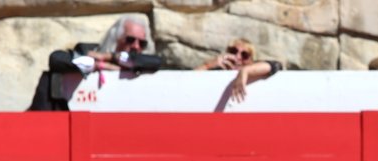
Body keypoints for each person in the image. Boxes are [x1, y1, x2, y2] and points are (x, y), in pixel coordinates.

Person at [27, 16, 162, 111]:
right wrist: (97, 65)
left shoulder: (140, 63)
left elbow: (156, 62)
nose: (136, 46)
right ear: (116, 38)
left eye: (142, 43)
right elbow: (56, 59)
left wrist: (110, 57)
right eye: (130, 40)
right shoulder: (87, 51)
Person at [195, 38, 283, 103]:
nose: (238, 57)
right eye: (233, 51)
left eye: (244, 55)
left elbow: (276, 65)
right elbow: (187, 80)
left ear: (251, 60)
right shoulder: (217, 71)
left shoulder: (254, 69)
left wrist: (245, 71)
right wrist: (207, 66)